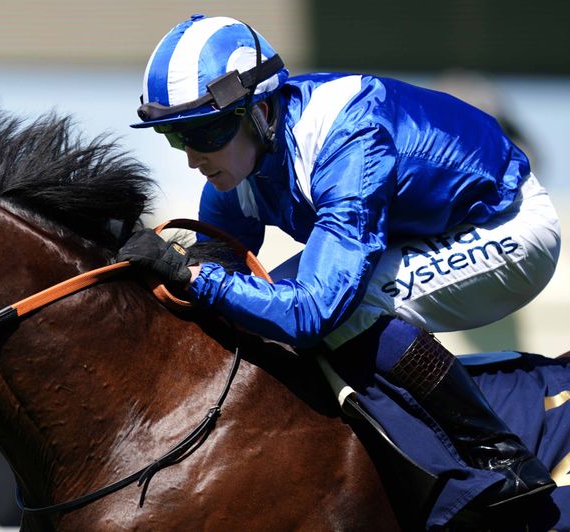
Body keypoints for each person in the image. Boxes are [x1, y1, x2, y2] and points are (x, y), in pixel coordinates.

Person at [119, 14, 561, 510]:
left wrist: (193, 274)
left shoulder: (350, 141)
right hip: (426, 230)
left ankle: (500, 458)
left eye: (206, 132)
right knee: (260, 305)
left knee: (348, 306)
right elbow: (219, 277)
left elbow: (312, 313)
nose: (192, 157)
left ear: (261, 110)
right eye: (178, 137)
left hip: (509, 226)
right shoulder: (236, 165)